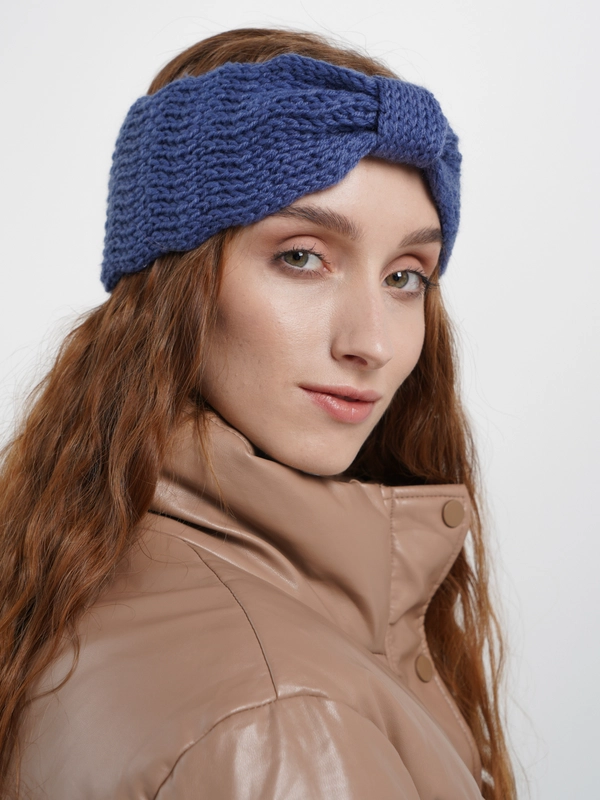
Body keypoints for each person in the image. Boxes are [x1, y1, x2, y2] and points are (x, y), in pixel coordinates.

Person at [0, 27, 516, 800]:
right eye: (301, 256)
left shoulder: (73, 561)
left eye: (406, 276)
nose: (373, 342)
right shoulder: (287, 725)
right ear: (173, 285)